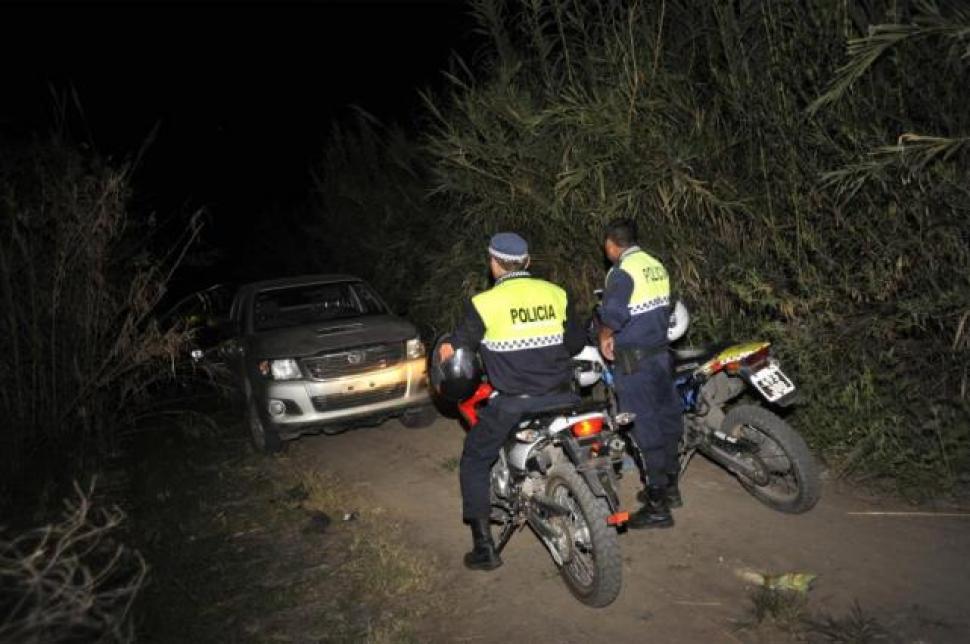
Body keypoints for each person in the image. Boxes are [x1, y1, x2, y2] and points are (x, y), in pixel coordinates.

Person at [438, 232, 585, 571]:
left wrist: (446, 352)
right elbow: (576, 343)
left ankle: (484, 547)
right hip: (565, 396)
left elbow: (457, 349)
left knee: (475, 458)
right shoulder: (556, 293)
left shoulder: (484, 304)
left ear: (493, 264)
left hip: (515, 402)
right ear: (528, 262)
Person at [597, 218, 683, 529]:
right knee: (667, 421)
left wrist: (605, 334)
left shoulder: (622, 272)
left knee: (642, 429)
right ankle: (670, 488)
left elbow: (614, 314)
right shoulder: (655, 265)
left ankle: (658, 506)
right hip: (661, 356)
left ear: (611, 244)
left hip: (635, 364)